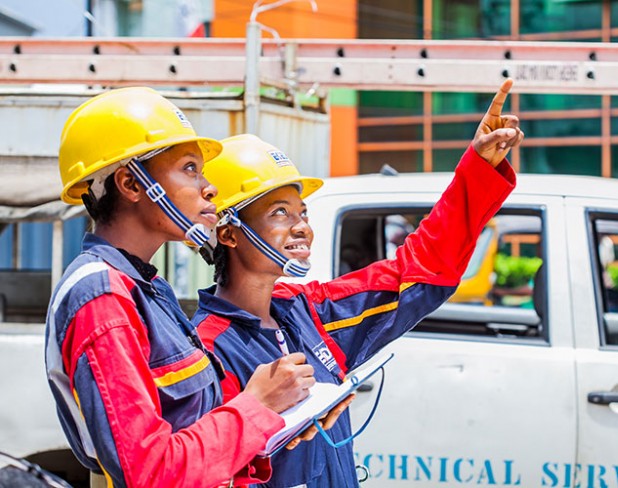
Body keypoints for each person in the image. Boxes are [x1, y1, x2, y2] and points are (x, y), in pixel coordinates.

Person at [193, 78, 523, 487]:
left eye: (303, 213)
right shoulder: (206, 350)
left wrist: (477, 169)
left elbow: (418, 269)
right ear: (228, 233)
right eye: (281, 213)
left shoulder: (310, 312)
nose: (302, 229)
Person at [45, 87, 318, 488]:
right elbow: (150, 471)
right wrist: (257, 405)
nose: (209, 188)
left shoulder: (148, 287)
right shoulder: (103, 298)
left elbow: (191, 427)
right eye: (191, 169)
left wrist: (282, 421)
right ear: (131, 184)